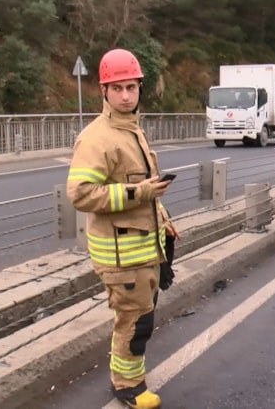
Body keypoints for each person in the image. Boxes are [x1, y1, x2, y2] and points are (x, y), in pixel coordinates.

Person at [66, 48, 179, 409]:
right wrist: (140, 192)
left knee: (138, 318)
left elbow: (143, 187)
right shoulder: (98, 138)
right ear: (104, 91)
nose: (126, 95)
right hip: (121, 256)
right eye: (117, 88)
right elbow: (80, 193)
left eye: (131, 87)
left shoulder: (131, 130)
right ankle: (128, 386)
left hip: (143, 250)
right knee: (134, 323)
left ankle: (126, 378)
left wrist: (162, 219)